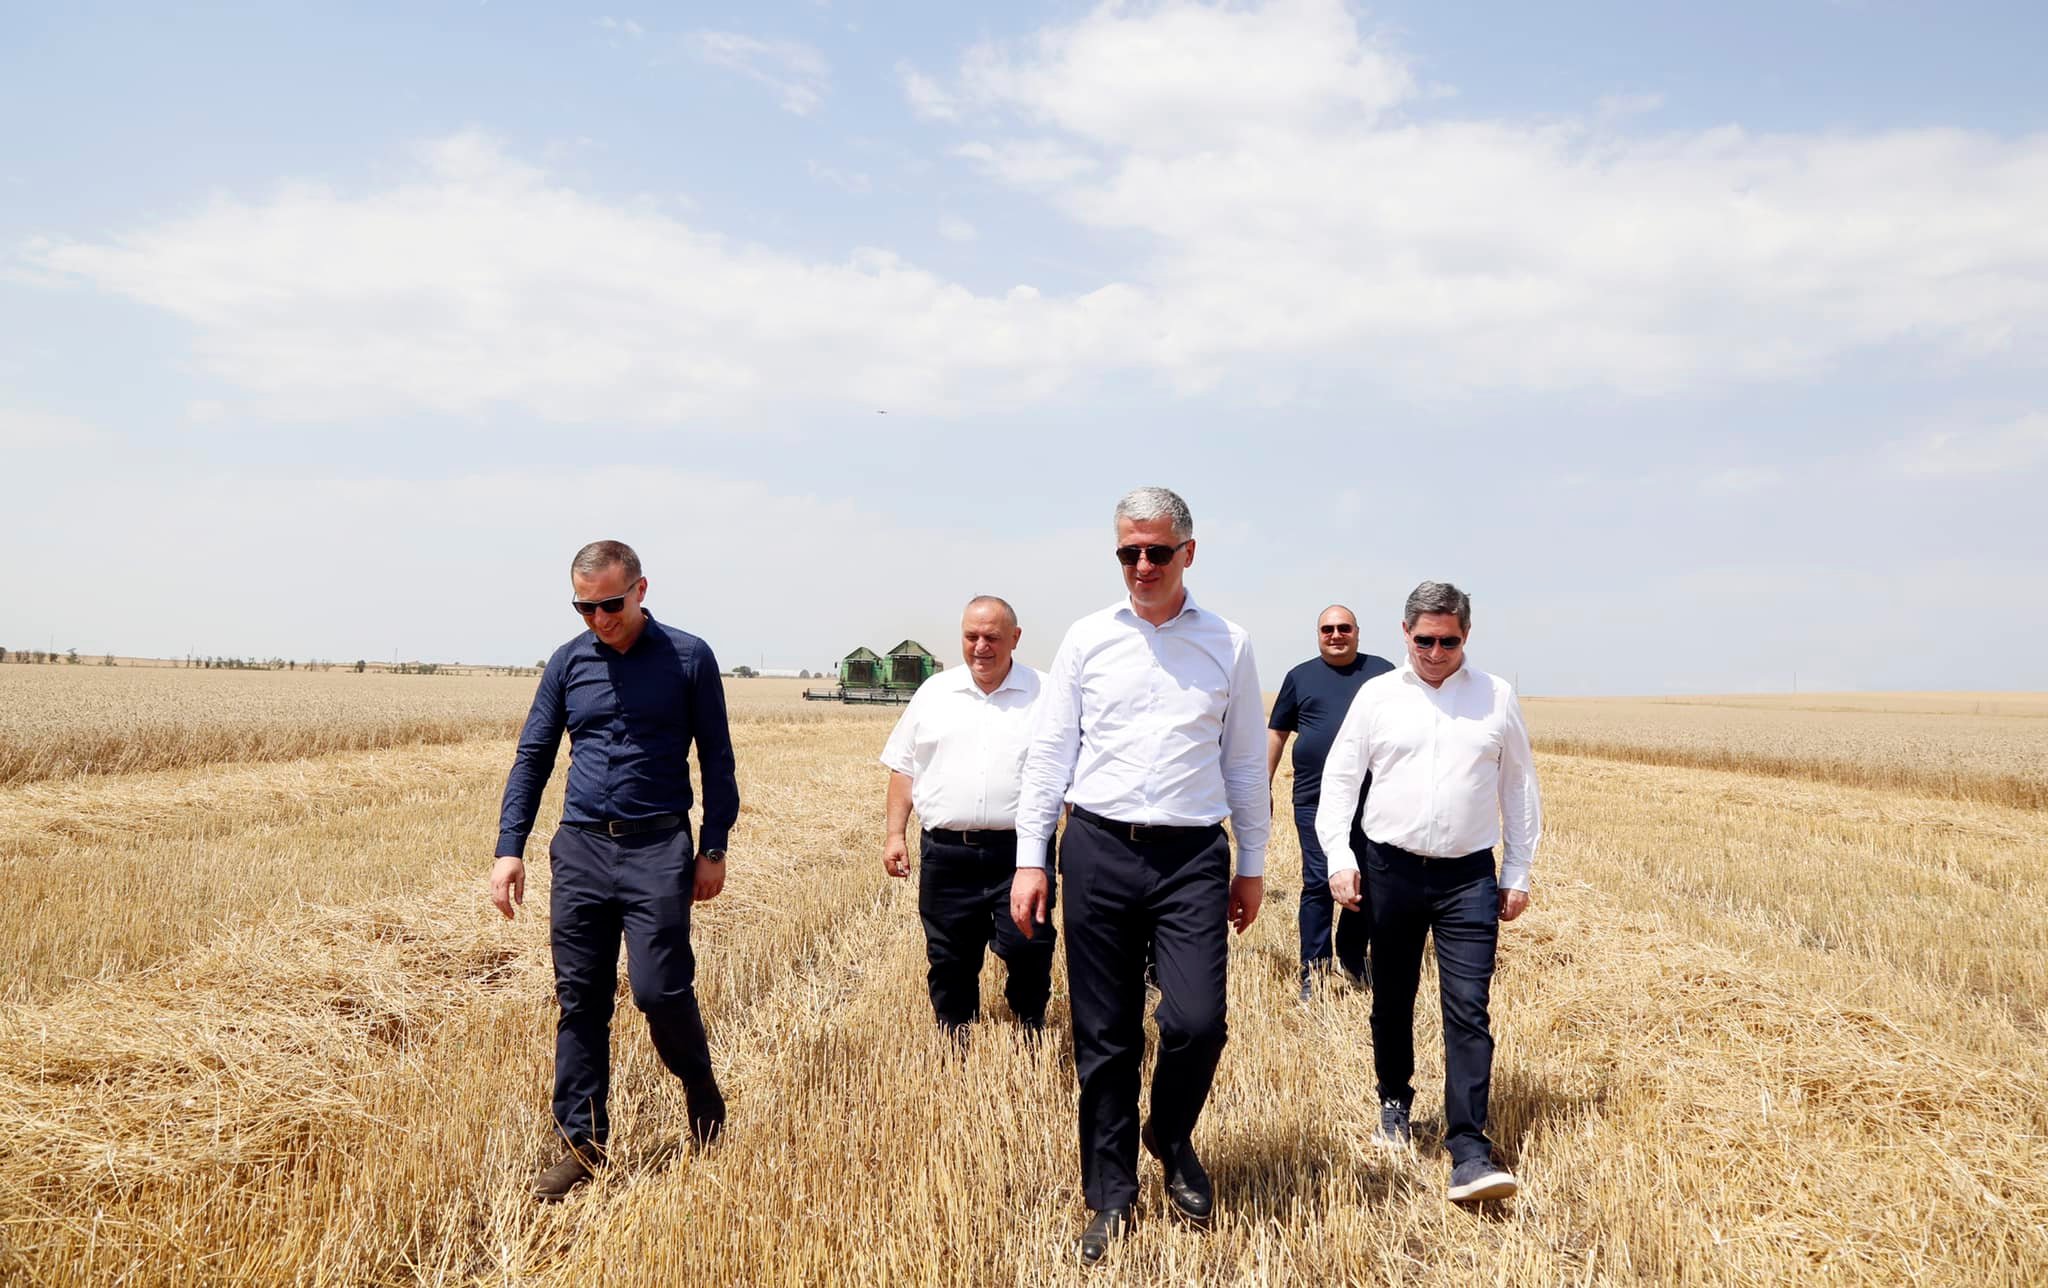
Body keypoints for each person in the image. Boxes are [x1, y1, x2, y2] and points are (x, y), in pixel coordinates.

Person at [1011, 486, 1269, 1266]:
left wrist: (1252, 864)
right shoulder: (1087, 640)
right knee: (1105, 1036)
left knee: (1197, 1023)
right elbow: (1050, 756)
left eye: (1158, 551)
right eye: (1130, 552)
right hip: (1098, 849)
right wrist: (1031, 859)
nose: (1143, 565)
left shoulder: (1229, 642)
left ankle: (1169, 1132)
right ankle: (1111, 1196)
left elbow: (1244, 763)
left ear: (1189, 552)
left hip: (1192, 857)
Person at [490, 540, 739, 1202]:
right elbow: (533, 756)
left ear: (640, 590)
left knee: (659, 991)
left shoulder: (689, 657)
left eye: (610, 604)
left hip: (657, 848)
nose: (599, 619)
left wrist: (713, 848)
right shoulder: (568, 663)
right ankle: (582, 1145)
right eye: (584, 607)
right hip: (580, 850)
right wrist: (510, 847)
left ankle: (701, 1091)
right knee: (581, 999)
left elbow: (717, 758)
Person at [1315, 580, 1540, 1204]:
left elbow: (1519, 787)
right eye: (1424, 641)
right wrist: (1340, 858)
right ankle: (1394, 1101)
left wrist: (1517, 871)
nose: (1436, 653)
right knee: (1393, 997)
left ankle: (1469, 1148)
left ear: (1466, 636)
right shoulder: (1378, 696)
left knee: (1468, 1007)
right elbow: (1340, 780)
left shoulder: (1495, 697)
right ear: (1405, 634)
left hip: (1468, 877)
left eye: (1448, 642)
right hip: (1389, 869)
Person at [879, 596, 1053, 1035]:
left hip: (1021, 854)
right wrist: (895, 835)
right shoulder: (934, 693)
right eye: (971, 636)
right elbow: (904, 768)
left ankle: (1029, 1026)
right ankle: (954, 1036)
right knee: (948, 956)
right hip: (946, 854)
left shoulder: (1046, 694)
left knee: (1028, 947)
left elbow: (1067, 771)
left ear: (1015, 638)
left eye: (992, 637)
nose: (980, 647)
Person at [1267, 604, 1394, 1001]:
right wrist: (1261, 787)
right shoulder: (1299, 677)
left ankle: (1353, 957)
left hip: (1372, 801)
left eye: (1343, 628)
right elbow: (1276, 733)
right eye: (1327, 629)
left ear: (1357, 632)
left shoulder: (1383, 673)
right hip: (1313, 799)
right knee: (1319, 882)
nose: (1336, 635)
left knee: (1368, 881)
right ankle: (1315, 970)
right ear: (1318, 634)